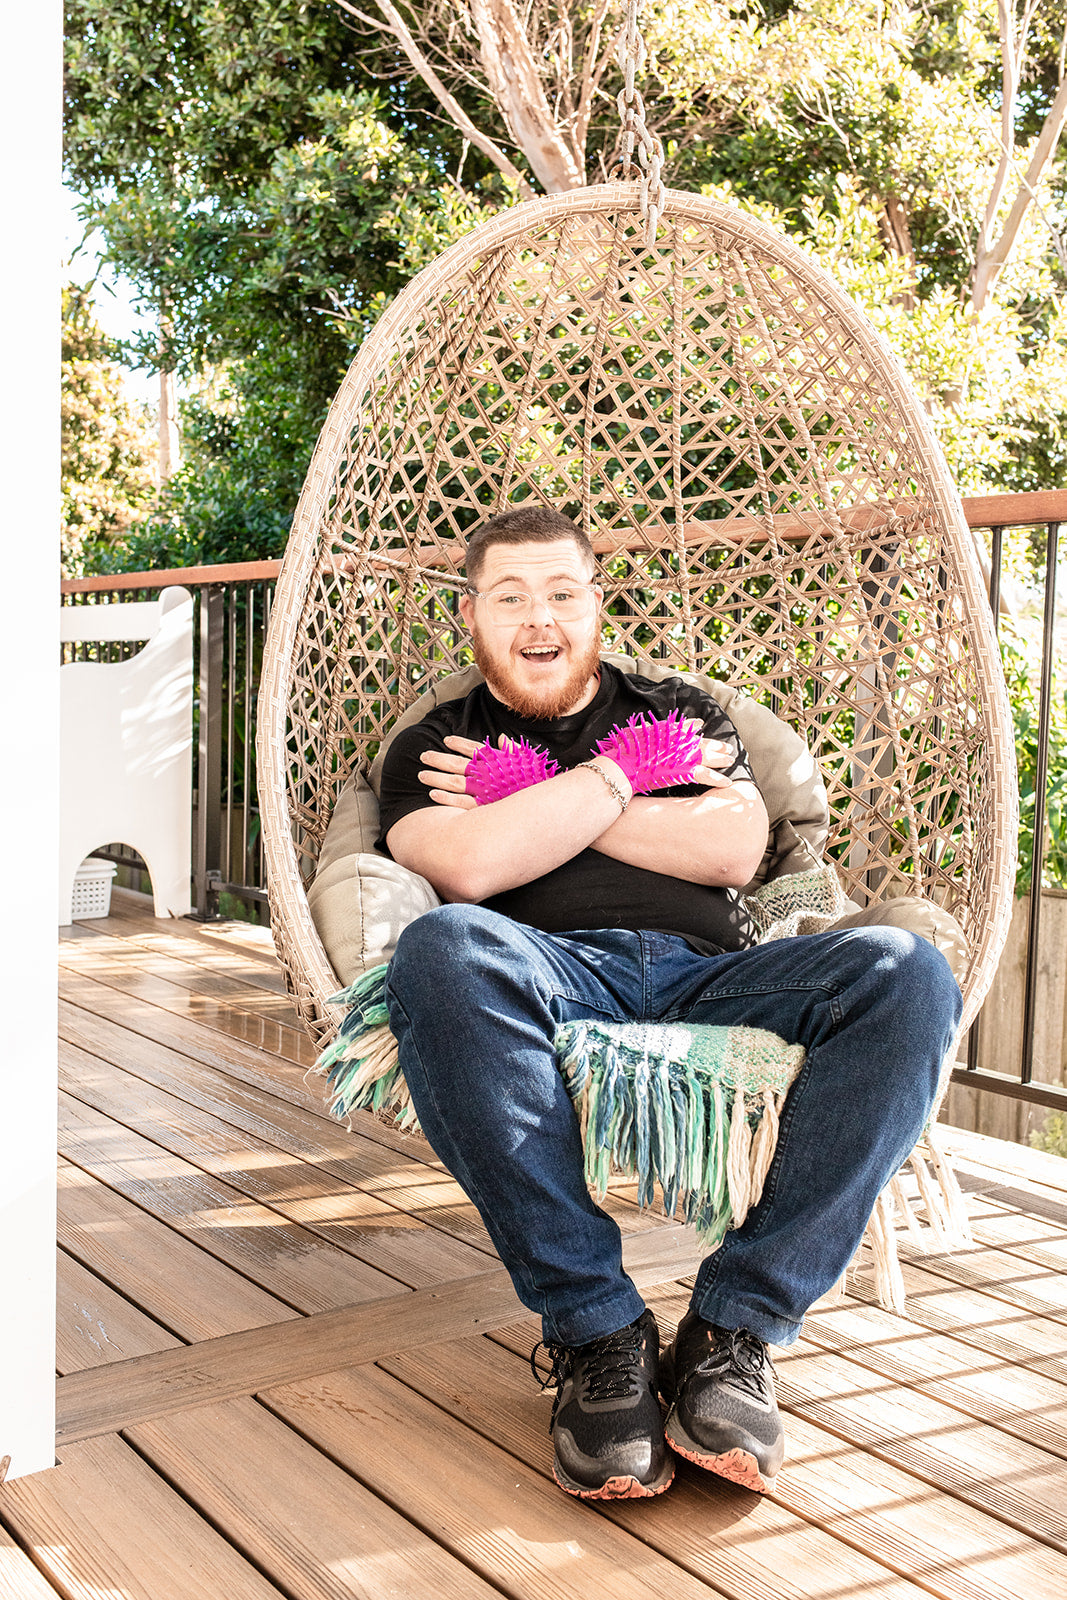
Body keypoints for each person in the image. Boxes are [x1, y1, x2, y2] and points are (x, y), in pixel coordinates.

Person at [376, 505, 962, 1501]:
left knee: (906, 972)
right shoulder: (435, 743)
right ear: (469, 613)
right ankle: (597, 1330)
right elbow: (469, 870)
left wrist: (540, 796)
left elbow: (731, 850)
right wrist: (622, 780)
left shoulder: (678, 710)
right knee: (438, 950)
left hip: (716, 973)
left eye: (561, 592)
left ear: (595, 604)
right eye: (510, 596)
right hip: (545, 972)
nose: (539, 617)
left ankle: (734, 1329)